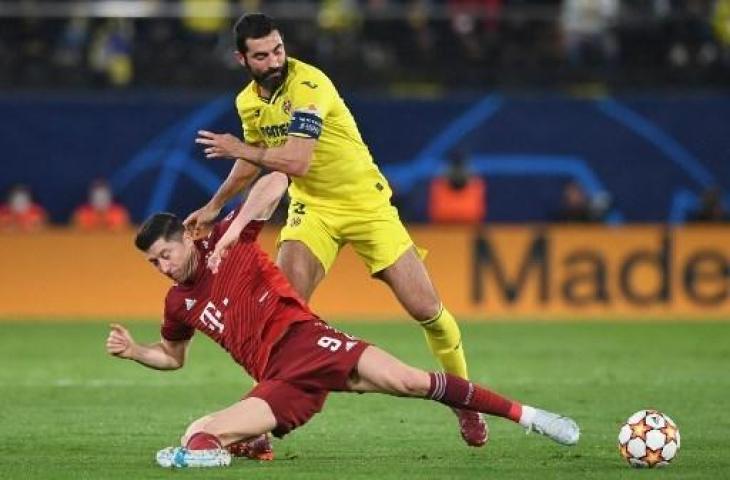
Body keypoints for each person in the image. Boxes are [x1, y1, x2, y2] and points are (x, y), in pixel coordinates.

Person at [106, 172, 580, 469]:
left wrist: (226, 223)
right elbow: (172, 358)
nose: (164, 268)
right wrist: (135, 353)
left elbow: (275, 182)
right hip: (279, 381)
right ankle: (250, 443)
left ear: (187, 238)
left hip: (309, 341)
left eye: (166, 255)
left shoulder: (225, 244)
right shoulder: (177, 303)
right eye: (155, 264)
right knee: (196, 435)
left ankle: (532, 417)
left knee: (412, 381)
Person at [185, 13, 486, 449]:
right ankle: (261, 427)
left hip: (365, 203)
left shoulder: (310, 86)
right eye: (262, 55)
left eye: (278, 49)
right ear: (242, 58)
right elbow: (256, 160)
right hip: (313, 209)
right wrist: (214, 206)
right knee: (277, 319)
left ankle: (465, 400)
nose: (274, 61)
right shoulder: (248, 103)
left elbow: (296, 162)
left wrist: (238, 146)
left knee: (428, 312)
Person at [428, 149, 487, 224]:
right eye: (455, 168)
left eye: (460, 168)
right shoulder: (439, 182)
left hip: (469, 225)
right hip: (442, 227)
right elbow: (438, 213)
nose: (457, 174)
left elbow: (476, 213)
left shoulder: (475, 183)